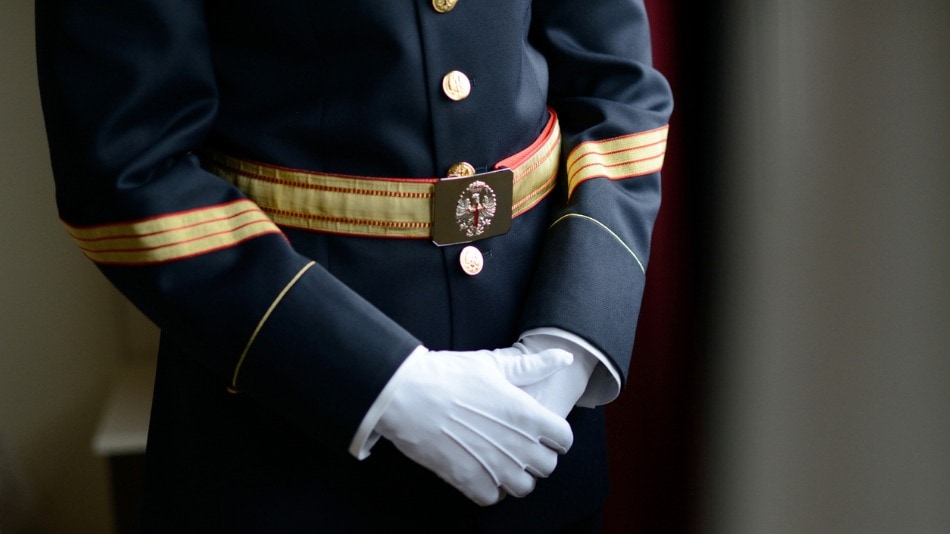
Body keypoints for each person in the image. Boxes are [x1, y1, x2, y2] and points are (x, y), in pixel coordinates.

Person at [36, 0, 672, 531]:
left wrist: (573, 337)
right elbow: (126, 173)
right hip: (281, 444)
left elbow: (617, 89)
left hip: (539, 433)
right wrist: (384, 385)